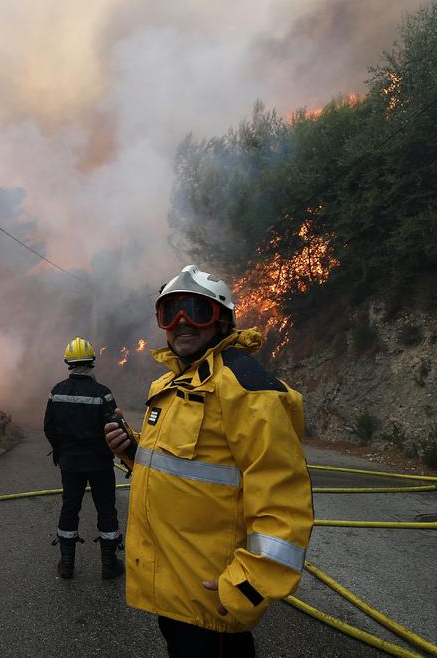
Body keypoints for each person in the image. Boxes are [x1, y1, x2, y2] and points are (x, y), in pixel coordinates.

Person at [105, 265, 313, 657]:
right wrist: (131, 451)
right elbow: (183, 472)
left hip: (212, 594)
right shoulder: (166, 387)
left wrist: (248, 585)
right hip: (172, 589)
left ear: (222, 320)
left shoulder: (248, 391)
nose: (182, 323)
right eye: (170, 313)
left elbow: (284, 503)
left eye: (196, 311)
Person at [44, 336, 124, 580]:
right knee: (106, 508)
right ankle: (109, 565)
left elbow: (48, 427)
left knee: (70, 507)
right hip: (100, 463)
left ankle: (66, 565)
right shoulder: (103, 393)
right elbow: (115, 427)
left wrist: (60, 450)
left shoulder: (56, 392)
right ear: (91, 361)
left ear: (68, 362)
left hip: (70, 463)